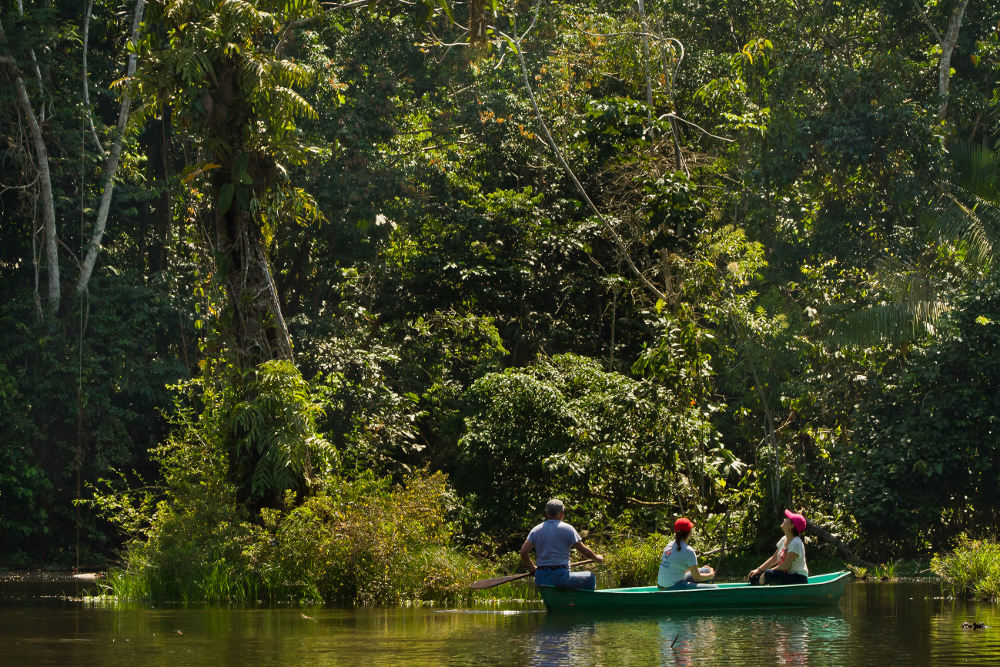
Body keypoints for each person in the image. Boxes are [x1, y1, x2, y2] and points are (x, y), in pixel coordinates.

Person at [520, 498, 605, 590]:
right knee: (590, 577)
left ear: (546, 513)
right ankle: (577, 603)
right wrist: (597, 558)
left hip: (541, 578)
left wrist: (533, 569)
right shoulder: (568, 529)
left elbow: (523, 552)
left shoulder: (536, 530)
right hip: (561, 577)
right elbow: (583, 550)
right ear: (563, 512)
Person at [748, 509, 809, 585]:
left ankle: (764, 590)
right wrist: (758, 570)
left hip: (798, 578)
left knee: (768, 573)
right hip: (785, 576)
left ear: (791, 526)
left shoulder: (796, 543)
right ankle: (760, 588)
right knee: (754, 576)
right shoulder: (784, 539)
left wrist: (766, 573)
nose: (784, 519)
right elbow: (774, 558)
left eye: (787, 519)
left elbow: (785, 566)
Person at [657, 517, 718, 590]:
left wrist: (698, 570)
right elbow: (697, 577)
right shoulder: (689, 551)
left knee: (705, 570)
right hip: (674, 586)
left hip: (661, 586)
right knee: (715, 588)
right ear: (689, 533)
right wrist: (710, 575)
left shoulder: (669, 545)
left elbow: (676, 567)